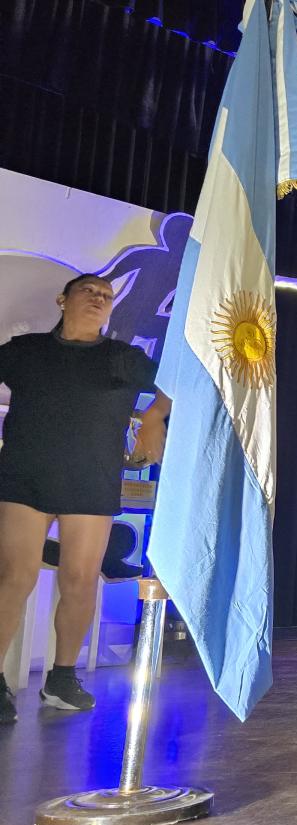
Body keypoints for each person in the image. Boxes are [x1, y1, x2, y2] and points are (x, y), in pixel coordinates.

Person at [0, 274, 170, 724]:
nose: (98, 299)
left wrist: (153, 417)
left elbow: (177, 380)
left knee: (80, 579)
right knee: (14, 577)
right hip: (24, 477)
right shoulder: (25, 351)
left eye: (106, 296)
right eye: (88, 291)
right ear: (63, 299)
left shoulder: (123, 358)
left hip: (91, 481)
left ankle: (62, 678)